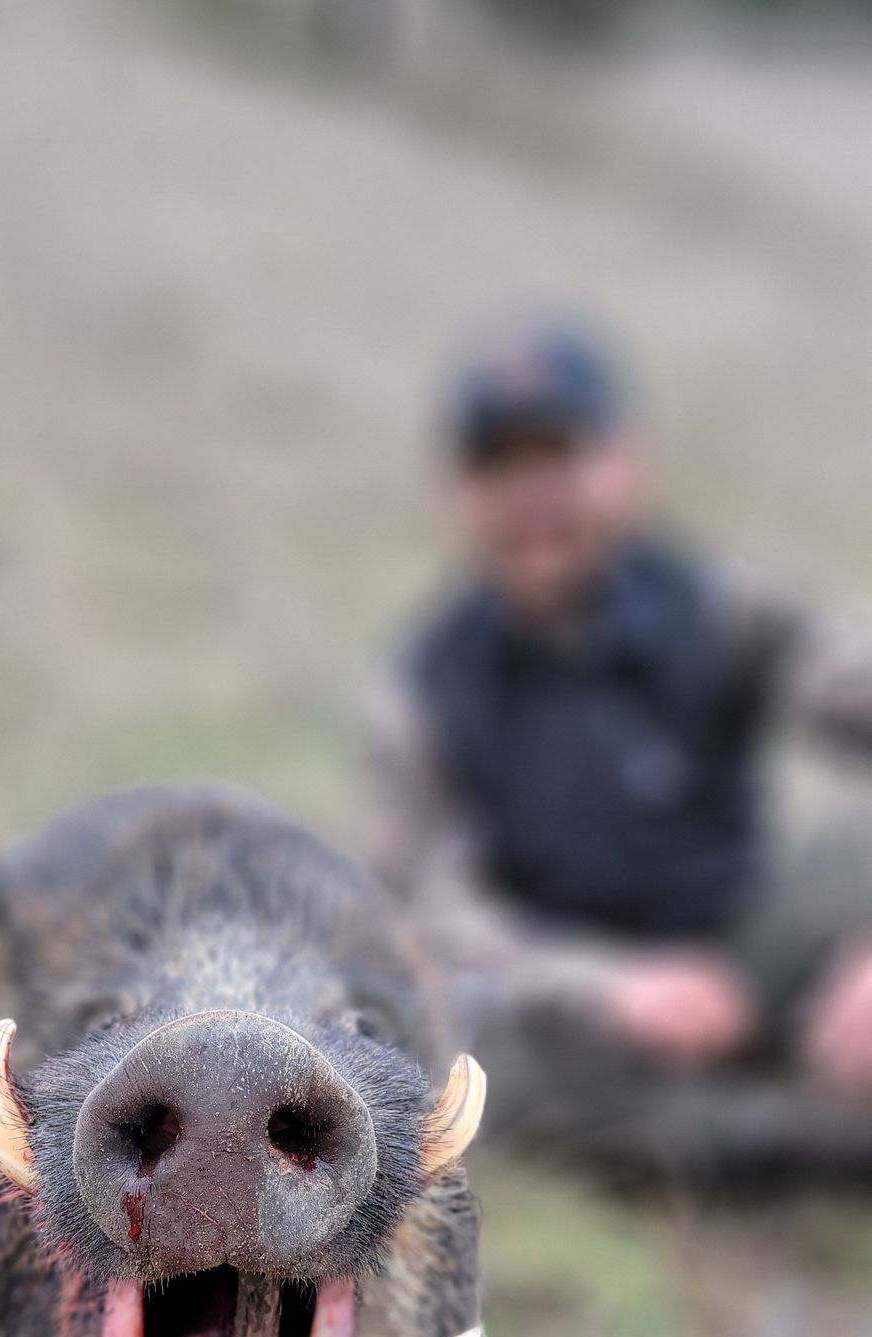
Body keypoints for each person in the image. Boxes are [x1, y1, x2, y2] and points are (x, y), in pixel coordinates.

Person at [371, 322, 872, 1169]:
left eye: (557, 455)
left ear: (624, 462)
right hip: (579, 1014)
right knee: (464, 1053)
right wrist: (614, 988)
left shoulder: (721, 609)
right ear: (461, 492)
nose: (533, 494)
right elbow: (434, 909)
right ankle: (793, 1140)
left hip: (742, 955)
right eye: (500, 466)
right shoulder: (431, 683)